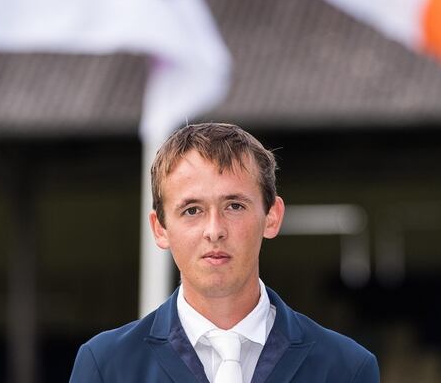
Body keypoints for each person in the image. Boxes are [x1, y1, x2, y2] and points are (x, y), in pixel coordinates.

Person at [69, 122, 379, 382]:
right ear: (160, 228)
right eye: (192, 210)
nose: (214, 230)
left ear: (272, 216)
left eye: (234, 206)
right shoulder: (106, 366)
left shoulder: (346, 368)